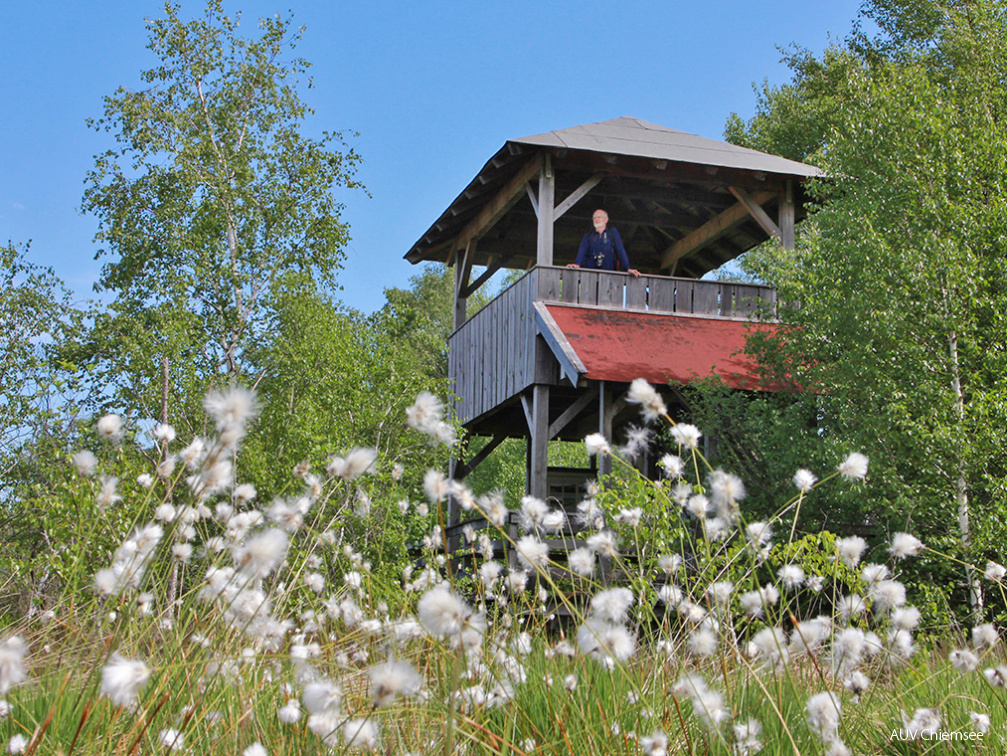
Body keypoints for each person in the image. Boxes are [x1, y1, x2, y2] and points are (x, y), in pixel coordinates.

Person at [567, 209, 641, 277]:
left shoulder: (612, 233)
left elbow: (620, 250)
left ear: (606, 219)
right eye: (594, 218)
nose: (596, 219)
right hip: (590, 275)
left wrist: (627, 268)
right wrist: (577, 264)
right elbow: (582, 251)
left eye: (599, 217)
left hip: (609, 274)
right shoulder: (588, 236)